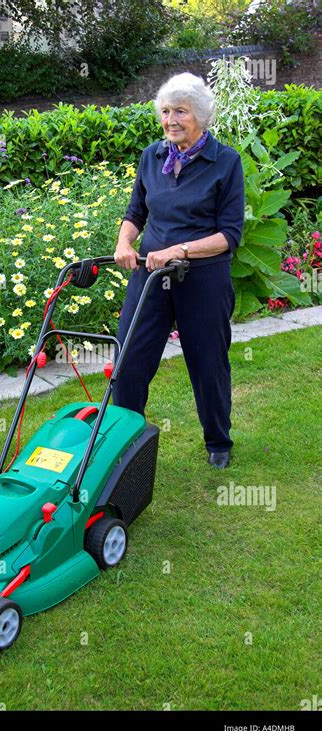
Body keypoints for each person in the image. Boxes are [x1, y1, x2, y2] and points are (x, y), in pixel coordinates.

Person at [113, 72, 245, 469]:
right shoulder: (152, 156)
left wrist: (180, 250)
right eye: (166, 111)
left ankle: (218, 442)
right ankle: (125, 443)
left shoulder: (225, 162)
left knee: (208, 363)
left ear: (201, 116)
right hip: (151, 276)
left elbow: (229, 235)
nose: (171, 120)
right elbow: (136, 212)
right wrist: (124, 243)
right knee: (129, 361)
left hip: (203, 280)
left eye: (181, 112)